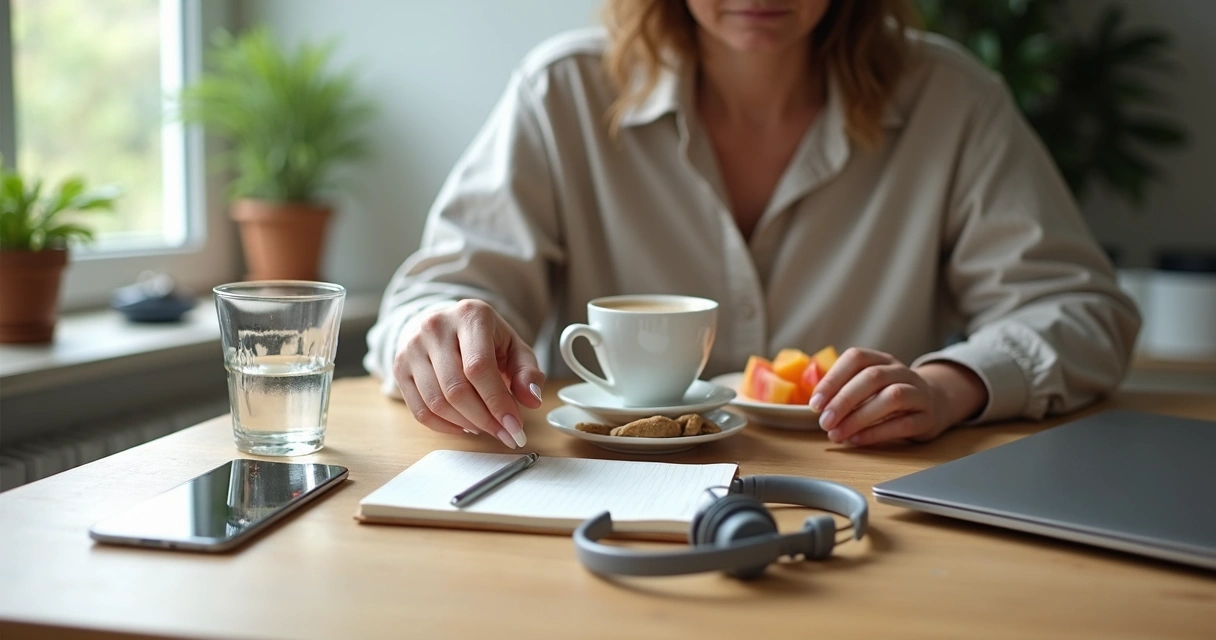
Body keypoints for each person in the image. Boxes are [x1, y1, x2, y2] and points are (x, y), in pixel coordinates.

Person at [364, 0, 1140, 451]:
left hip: (881, 519)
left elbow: (1081, 312)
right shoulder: (559, 94)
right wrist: (432, 330)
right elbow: (438, 294)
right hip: (606, 509)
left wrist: (948, 387)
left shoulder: (955, 103)